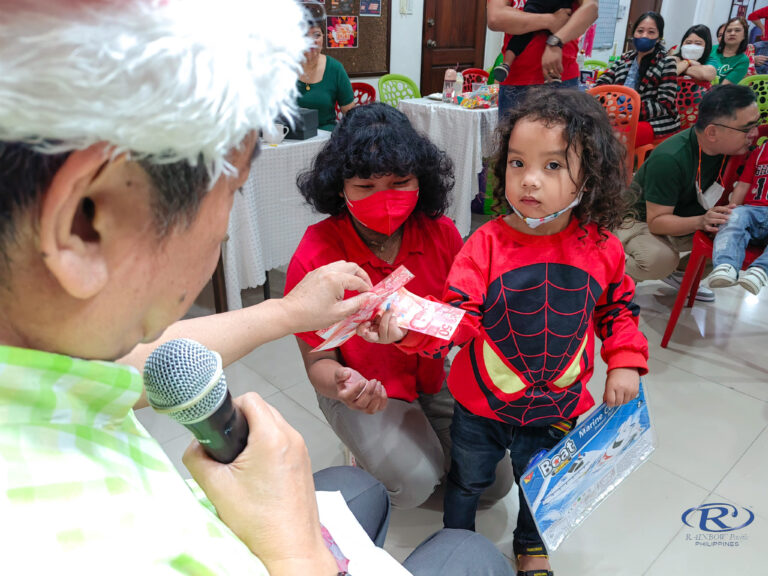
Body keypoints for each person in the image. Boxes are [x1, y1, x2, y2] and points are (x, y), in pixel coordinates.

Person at [0, 2, 517, 575]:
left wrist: (288, 312)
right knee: (466, 550)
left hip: (430, 383)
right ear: (86, 223)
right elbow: (318, 365)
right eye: (230, 192)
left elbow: (136, 360)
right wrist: (294, 549)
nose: (224, 229)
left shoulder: (57, 360)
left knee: (485, 476)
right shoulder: (63, 539)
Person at [358, 88, 649, 575]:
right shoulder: (483, 245)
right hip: (480, 405)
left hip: (557, 405)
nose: (530, 180)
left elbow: (618, 310)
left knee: (540, 485)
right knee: (468, 481)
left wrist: (624, 360)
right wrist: (405, 329)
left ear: (590, 176)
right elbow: (457, 319)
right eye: (517, 163)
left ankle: (531, 546)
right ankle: (456, 541)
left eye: (553, 166)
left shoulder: (602, 248)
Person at [285, 102, 514, 510]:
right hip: (363, 385)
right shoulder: (316, 254)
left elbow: (464, 323)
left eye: (400, 182)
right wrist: (343, 384)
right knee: (415, 484)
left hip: (432, 374)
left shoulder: (442, 235)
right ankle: (374, 454)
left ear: (421, 180)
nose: (384, 199)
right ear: (339, 187)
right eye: (365, 186)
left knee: (494, 484)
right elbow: (316, 360)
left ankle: (424, 450)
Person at [616, 84, 759, 303]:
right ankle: (613, 274)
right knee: (659, 259)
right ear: (712, 132)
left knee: (739, 236)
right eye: (746, 128)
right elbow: (657, 222)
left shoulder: (735, 150)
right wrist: (703, 221)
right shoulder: (671, 157)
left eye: (757, 124)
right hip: (638, 218)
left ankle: (679, 275)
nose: (755, 134)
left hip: (684, 216)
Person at [487, 0, 599, 119]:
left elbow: (591, 8)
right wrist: (551, 20)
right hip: (516, 81)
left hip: (562, 79)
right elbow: (495, 18)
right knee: (513, 136)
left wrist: (556, 41)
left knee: (562, 136)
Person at [595, 12, 680, 147]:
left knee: (616, 139)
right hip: (616, 116)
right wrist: (611, 107)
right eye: (640, 31)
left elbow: (665, 105)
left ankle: (619, 168)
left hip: (654, 120)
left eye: (651, 32)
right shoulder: (626, 58)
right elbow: (601, 84)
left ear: (659, 37)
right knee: (588, 130)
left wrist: (627, 113)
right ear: (633, 33)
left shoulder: (666, 62)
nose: (644, 36)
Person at [706, 139, 768, 295]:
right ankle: (726, 265)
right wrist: (731, 209)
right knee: (734, 216)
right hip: (753, 211)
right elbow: (743, 184)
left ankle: (760, 271)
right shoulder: (760, 152)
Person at [492, 0, 575, 82]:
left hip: (565, 76)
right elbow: (495, 19)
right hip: (516, 78)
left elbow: (583, 14)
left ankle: (553, 74)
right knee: (522, 34)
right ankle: (506, 65)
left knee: (557, 37)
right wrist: (551, 20)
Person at [297, 17, 355, 131]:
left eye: (316, 35)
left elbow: (350, 113)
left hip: (325, 138)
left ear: (323, 37)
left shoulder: (335, 68)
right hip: (288, 138)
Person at [711, 17, 750, 85]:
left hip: (718, 94)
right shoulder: (711, 49)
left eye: (737, 30)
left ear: (744, 35)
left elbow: (723, 87)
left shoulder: (743, 60)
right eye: (728, 31)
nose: (732, 33)